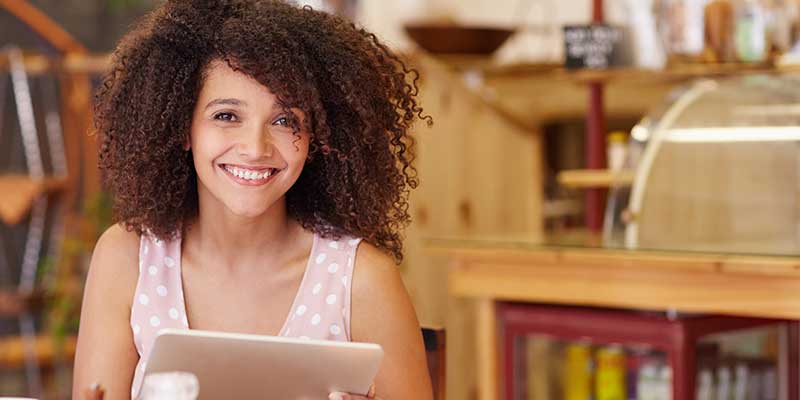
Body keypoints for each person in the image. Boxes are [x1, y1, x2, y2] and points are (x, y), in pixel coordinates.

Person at [72, 1, 433, 398]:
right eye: (227, 116)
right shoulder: (127, 261)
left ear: (317, 137)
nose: (255, 147)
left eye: (285, 121)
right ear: (182, 126)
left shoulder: (361, 280)